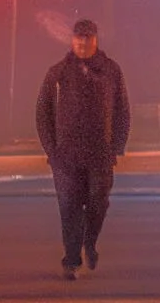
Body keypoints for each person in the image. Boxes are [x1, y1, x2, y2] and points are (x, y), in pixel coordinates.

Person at [35, 17, 129, 281]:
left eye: (87, 38)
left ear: (95, 40)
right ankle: (72, 260)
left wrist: (117, 147)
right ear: (72, 40)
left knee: (99, 204)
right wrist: (51, 151)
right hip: (66, 157)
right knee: (69, 208)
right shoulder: (58, 73)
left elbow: (122, 110)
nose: (82, 43)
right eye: (78, 38)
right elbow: (42, 113)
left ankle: (90, 242)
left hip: (100, 155)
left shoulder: (110, 71)